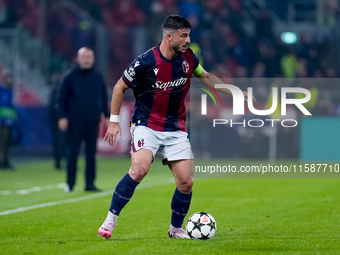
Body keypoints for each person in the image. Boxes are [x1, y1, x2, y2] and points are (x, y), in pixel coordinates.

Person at [98, 15, 250, 239]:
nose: (188, 40)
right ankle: (110, 221)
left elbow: (206, 77)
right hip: (146, 124)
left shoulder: (189, 58)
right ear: (169, 37)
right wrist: (113, 120)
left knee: (186, 182)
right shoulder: (146, 61)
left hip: (176, 128)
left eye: (188, 35)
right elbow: (119, 87)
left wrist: (234, 91)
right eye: (184, 36)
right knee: (139, 169)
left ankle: (176, 229)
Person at [58, 47, 110, 192]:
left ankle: (89, 183)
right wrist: (62, 116)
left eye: (89, 57)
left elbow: (103, 98)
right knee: (72, 153)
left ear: (93, 60)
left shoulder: (98, 77)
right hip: (74, 121)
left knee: (91, 154)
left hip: (92, 121)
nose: (86, 60)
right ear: (78, 59)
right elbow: (61, 99)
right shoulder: (69, 77)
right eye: (84, 57)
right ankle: (70, 183)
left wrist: (106, 115)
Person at [49, 73, 66, 170]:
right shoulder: (56, 91)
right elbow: (52, 107)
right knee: (59, 141)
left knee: (63, 141)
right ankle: (58, 162)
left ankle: (61, 162)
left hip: (60, 119)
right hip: (58, 120)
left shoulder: (56, 91)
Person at [0, 72, 17, 170]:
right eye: (9, 79)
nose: (11, 81)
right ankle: (2, 161)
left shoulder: (11, 92)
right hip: (2, 122)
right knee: (2, 142)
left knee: (7, 142)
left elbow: (12, 108)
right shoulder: (2, 91)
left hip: (10, 122)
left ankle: (6, 161)